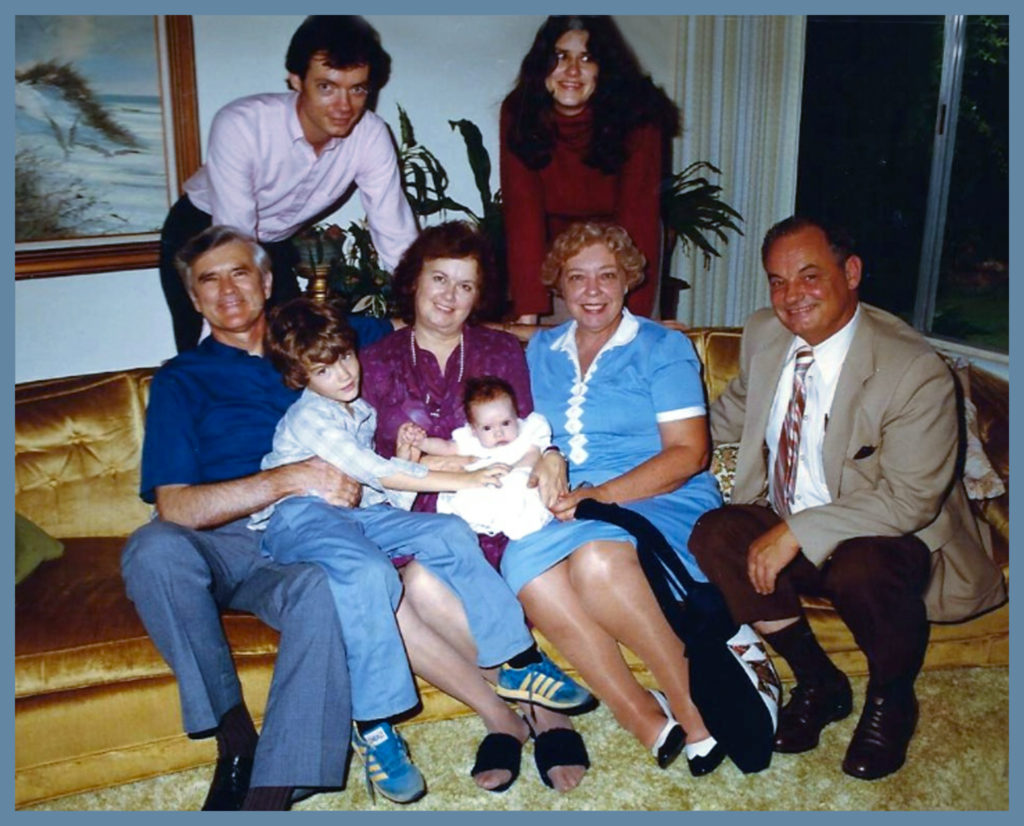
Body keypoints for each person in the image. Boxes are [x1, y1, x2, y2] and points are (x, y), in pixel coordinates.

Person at [688, 215, 1008, 780]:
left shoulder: (912, 369)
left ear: (851, 272)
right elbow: (729, 414)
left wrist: (796, 532)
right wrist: (658, 444)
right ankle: (820, 681)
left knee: (862, 565)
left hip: (887, 539)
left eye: (809, 277)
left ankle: (891, 700)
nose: (791, 297)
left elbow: (910, 501)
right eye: (778, 281)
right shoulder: (766, 334)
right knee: (715, 534)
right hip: (792, 515)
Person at [253, 296, 593, 802]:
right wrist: (467, 473)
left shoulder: (358, 410)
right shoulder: (311, 419)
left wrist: (409, 463)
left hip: (351, 515)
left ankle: (518, 660)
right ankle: (375, 727)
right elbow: (373, 471)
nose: (345, 373)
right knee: (370, 573)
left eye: (345, 356)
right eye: (324, 369)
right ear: (301, 377)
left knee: (446, 531)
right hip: (297, 519)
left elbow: (379, 495)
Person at [122, 226, 363, 811]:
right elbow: (175, 506)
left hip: (301, 534)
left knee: (327, 589)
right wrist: (288, 476)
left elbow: (429, 329)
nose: (227, 289)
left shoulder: (318, 345)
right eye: (209, 279)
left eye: (240, 272)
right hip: (222, 542)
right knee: (152, 548)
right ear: (193, 298)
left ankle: (271, 791)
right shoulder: (182, 378)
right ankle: (236, 742)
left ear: (267, 281)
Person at [361, 221, 592, 793]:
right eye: (438, 278)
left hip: (490, 513)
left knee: (423, 583)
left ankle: (539, 714)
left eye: (465, 286)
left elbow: (529, 434)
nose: (449, 296)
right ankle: (507, 714)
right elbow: (357, 457)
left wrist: (551, 454)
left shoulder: (497, 350)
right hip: (404, 514)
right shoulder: (374, 361)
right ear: (412, 281)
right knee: (388, 600)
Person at [493, 221, 728, 776]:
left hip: (658, 493)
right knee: (526, 568)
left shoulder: (662, 345)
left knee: (597, 561)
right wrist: (549, 460)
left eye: (606, 275)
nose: (592, 290)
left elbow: (689, 454)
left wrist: (599, 495)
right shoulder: (540, 351)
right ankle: (637, 712)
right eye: (577, 278)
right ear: (560, 286)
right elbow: (522, 427)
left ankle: (693, 709)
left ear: (628, 282)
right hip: (576, 503)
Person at [159, 15, 417, 353]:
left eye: (357, 89)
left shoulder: (371, 136)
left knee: (293, 349)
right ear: (295, 80)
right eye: (326, 87)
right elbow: (233, 234)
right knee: (212, 354)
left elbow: (396, 235)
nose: (344, 106)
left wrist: (425, 306)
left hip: (273, 241)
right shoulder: (242, 124)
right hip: (203, 232)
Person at [500, 15, 679, 323]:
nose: (572, 71)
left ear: (603, 69)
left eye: (586, 58)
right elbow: (522, 216)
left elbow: (638, 214)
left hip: (625, 238)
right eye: (560, 57)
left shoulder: (639, 113)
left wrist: (632, 321)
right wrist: (527, 320)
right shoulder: (520, 111)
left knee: (625, 340)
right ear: (542, 65)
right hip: (554, 245)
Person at [407, 375, 555, 540]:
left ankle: (516, 524)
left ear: (516, 416)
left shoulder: (528, 431)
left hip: (519, 482)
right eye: (487, 428)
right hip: (483, 487)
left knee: (519, 484)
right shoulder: (473, 441)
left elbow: (532, 455)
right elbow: (446, 447)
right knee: (469, 495)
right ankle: (481, 523)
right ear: (474, 430)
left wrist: (513, 471)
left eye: (506, 423)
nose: (498, 432)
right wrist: (423, 443)